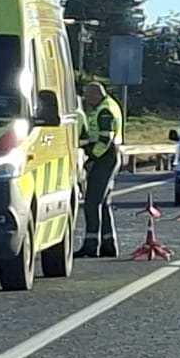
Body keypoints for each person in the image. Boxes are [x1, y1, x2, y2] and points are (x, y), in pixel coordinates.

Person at [78, 81, 123, 258]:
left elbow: (105, 139)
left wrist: (92, 157)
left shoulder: (105, 111)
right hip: (109, 156)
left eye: (87, 95)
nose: (85, 98)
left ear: (96, 94)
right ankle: (108, 245)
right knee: (103, 203)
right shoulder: (106, 106)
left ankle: (91, 245)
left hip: (105, 157)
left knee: (92, 202)